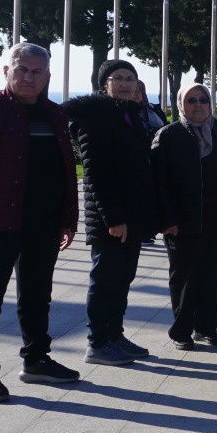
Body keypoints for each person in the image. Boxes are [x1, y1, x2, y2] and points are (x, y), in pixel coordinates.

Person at [0, 42, 81, 401]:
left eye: (37, 71)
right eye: (21, 70)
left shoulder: (55, 115)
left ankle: (36, 360)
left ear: (47, 76)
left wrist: (68, 218)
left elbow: (65, 171)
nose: (28, 77)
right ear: (6, 72)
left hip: (44, 224)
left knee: (38, 296)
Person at [63, 59, 160, 365]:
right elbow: (97, 174)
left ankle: (115, 335)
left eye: (130, 78)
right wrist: (114, 219)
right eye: (117, 78)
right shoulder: (96, 118)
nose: (125, 84)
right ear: (104, 84)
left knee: (122, 278)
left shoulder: (130, 115)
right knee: (105, 280)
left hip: (132, 216)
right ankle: (98, 342)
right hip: (111, 219)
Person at [152, 84, 217, 350]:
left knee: (212, 278)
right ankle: (181, 331)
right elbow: (159, 183)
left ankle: (206, 328)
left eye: (203, 100)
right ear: (181, 104)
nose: (198, 105)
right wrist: (167, 219)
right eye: (191, 100)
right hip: (183, 222)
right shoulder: (169, 135)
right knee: (184, 279)